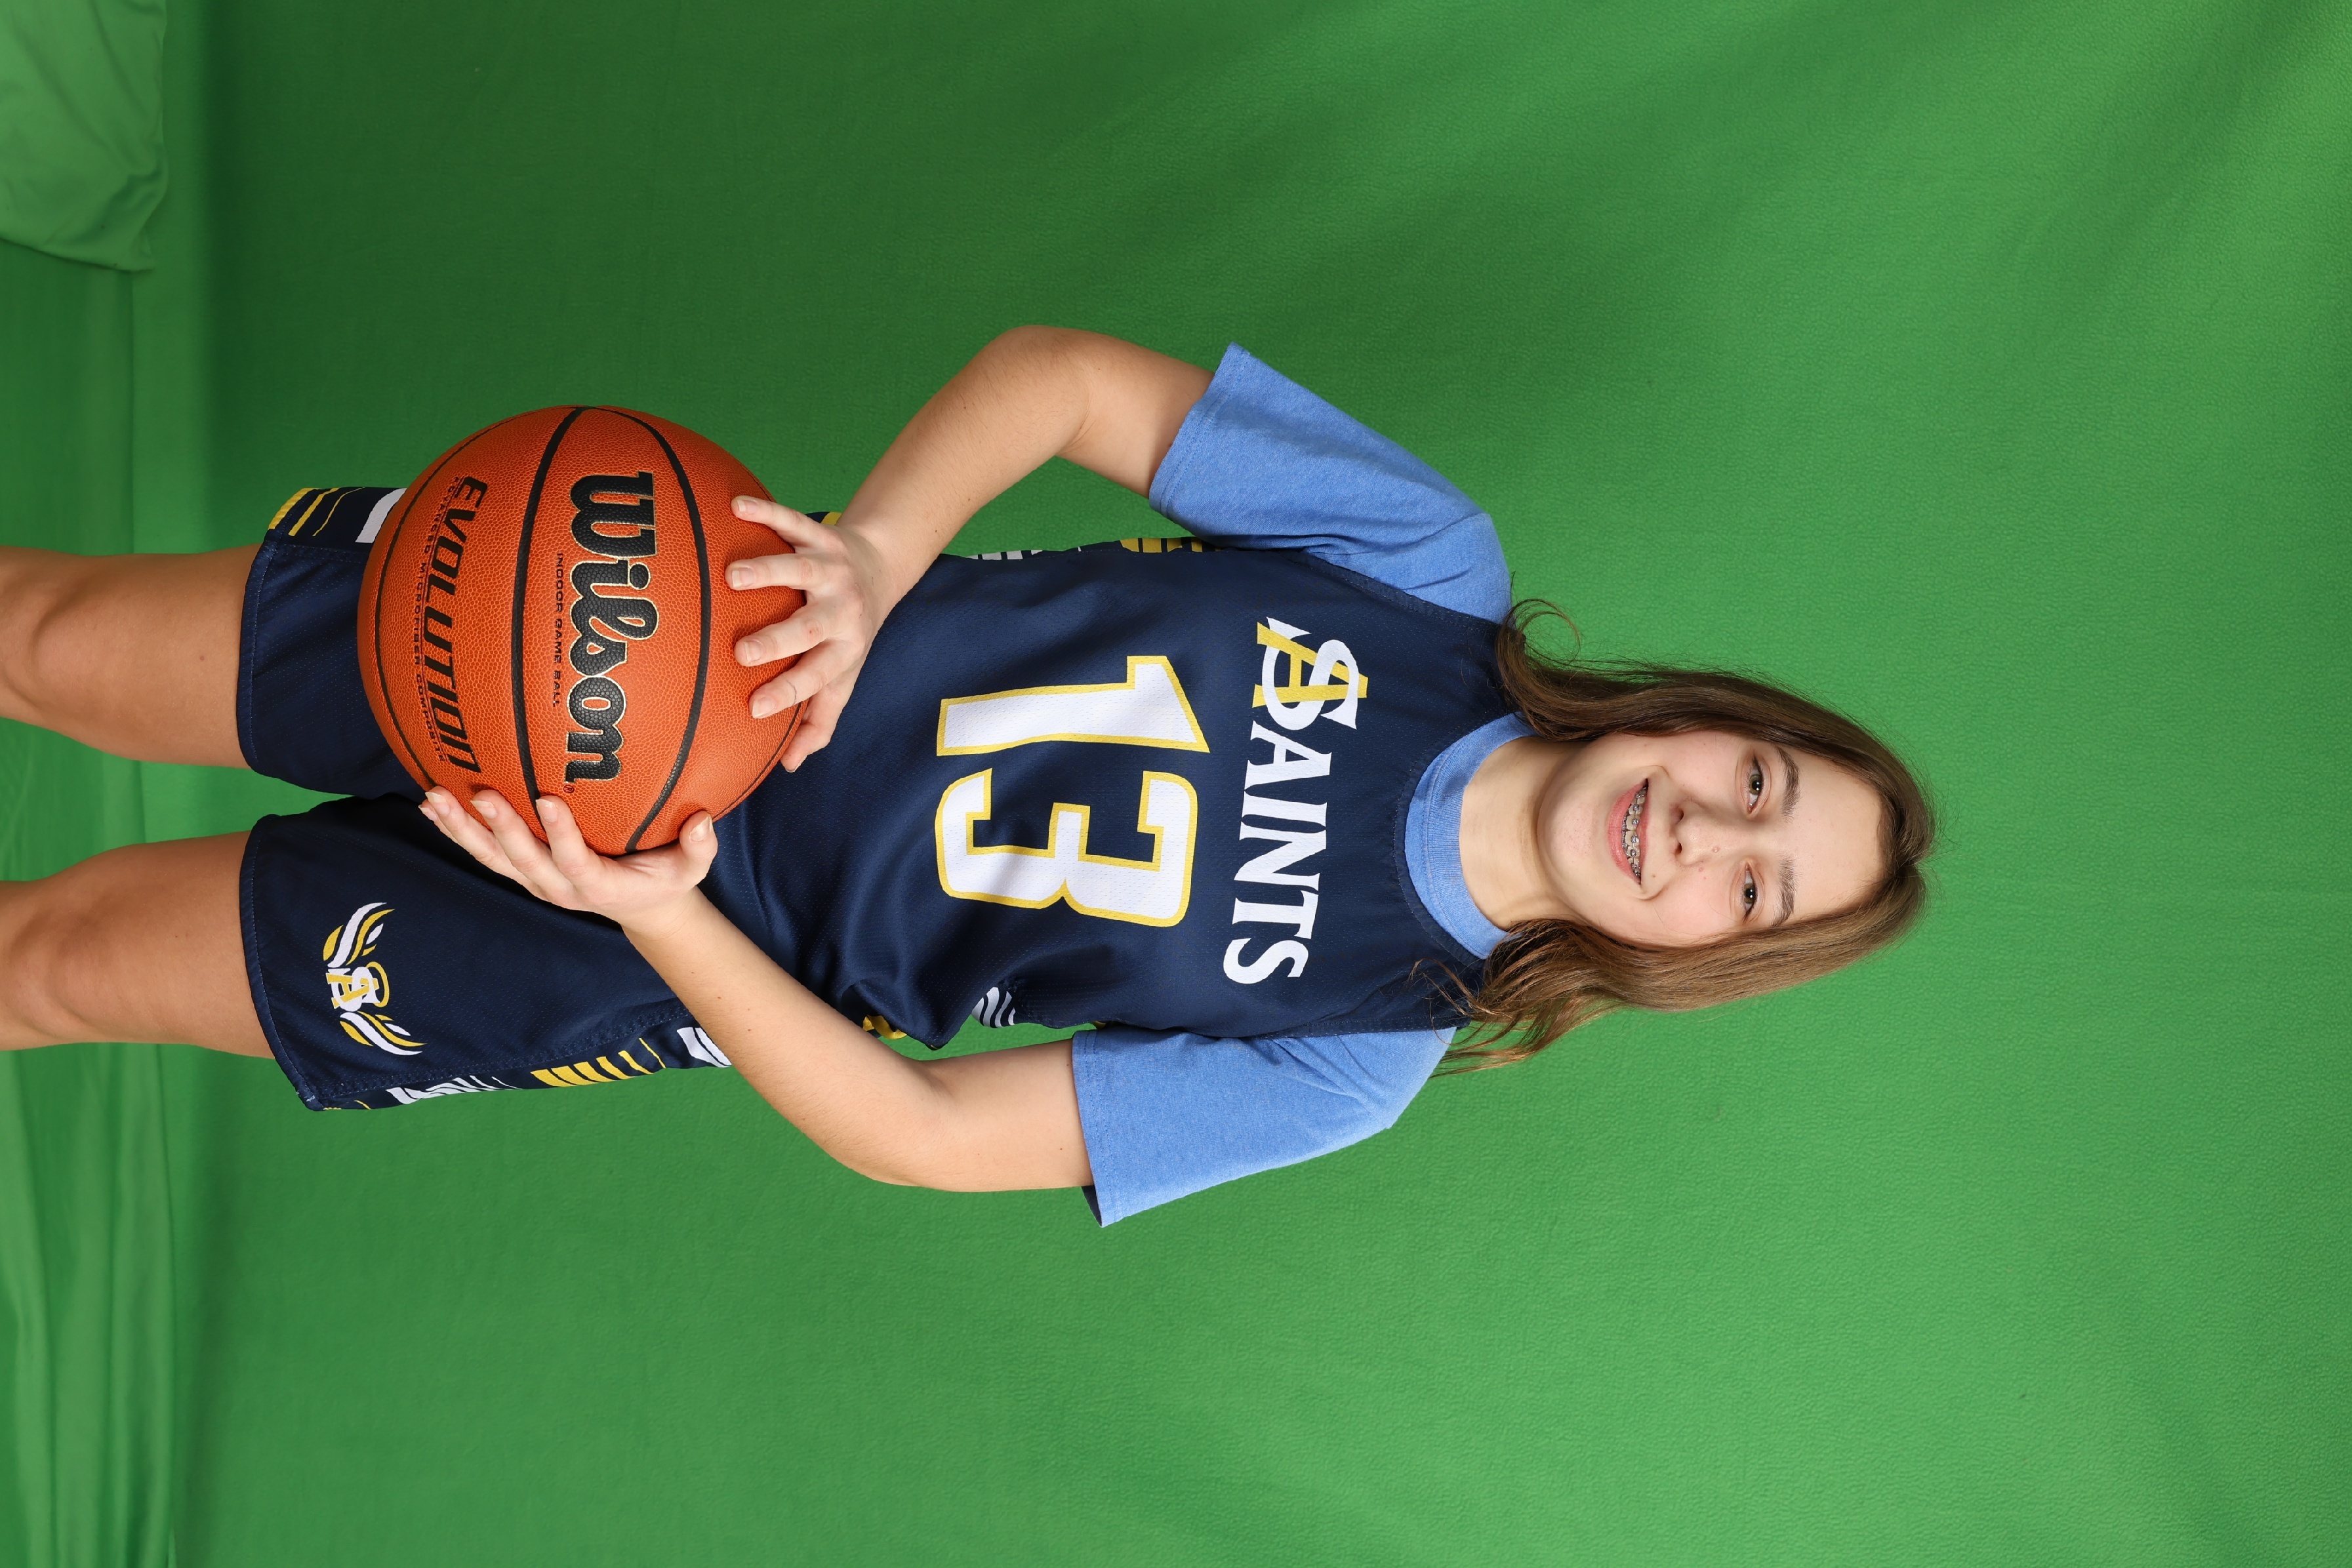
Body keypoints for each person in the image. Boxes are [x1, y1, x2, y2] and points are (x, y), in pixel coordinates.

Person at [0, 328, 1932, 1222]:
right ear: (1711, 717)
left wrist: (661, 917)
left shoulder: (1359, 1054)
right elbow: (1066, 381)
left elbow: (920, 1133)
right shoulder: (1429, 570)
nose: (1707, 830)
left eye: (1754, 887)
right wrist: (869, 553)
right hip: (637, 637)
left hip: (647, 937)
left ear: (1708, 955)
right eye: (1759, 780)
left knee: (63, 963)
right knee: (55, 642)